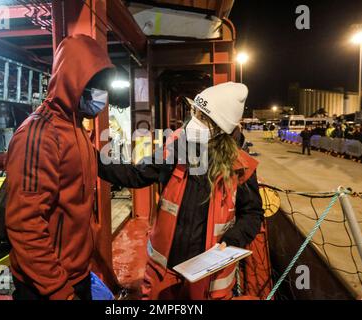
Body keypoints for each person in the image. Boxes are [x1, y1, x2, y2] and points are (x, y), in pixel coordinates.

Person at [98, 82, 266, 300]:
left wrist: (234, 239)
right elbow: (137, 174)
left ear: (220, 128)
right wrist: (94, 159)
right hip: (163, 273)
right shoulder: (176, 147)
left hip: (208, 278)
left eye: (204, 116)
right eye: (195, 111)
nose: (195, 120)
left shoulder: (240, 167)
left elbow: (252, 214)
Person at [5, 35, 114, 300]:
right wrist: (60, 292)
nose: (101, 95)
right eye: (94, 85)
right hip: (44, 287)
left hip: (75, 275)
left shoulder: (76, 128)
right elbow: (26, 225)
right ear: (71, 81)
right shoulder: (39, 134)